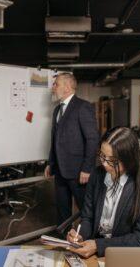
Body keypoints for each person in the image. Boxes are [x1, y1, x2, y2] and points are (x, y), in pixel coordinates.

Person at [67, 127, 140, 257]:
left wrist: (98, 245)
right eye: (102, 155)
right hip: (92, 250)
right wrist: (80, 235)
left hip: (121, 254)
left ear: (129, 159)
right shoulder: (97, 174)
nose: (104, 164)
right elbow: (88, 217)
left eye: (111, 160)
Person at [44, 73, 99, 225]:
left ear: (67, 87)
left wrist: (87, 168)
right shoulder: (57, 110)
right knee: (62, 210)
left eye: (56, 84)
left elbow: (93, 139)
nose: (53, 88)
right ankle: (64, 240)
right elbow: (55, 140)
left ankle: (91, 241)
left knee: (86, 210)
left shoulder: (83, 106)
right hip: (60, 171)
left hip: (79, 172)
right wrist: (50, 163)